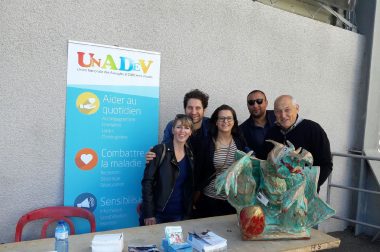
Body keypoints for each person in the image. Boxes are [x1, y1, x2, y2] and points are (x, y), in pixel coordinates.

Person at [264, 95, 333, 192]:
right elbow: (265, 163)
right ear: (274, 113)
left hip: (304, 196)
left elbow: (326, 165)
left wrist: (307, 188)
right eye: (278, 111)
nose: (283, 115)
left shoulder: (313, 129)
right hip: (277, 195)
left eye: (287, 110)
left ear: (297, 108)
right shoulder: (271, 133)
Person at [194, 104, 248, 218]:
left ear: (234, 121)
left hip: (233, 200)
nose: (225, 121)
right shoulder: (206, 143)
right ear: (216, 122)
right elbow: (198, 171)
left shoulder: (239, 141)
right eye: (222, 118)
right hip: (210, 199)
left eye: (229, 118)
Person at [141, 115, 195, 225]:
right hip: (158, 214)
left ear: (190, 132)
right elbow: (147, 183)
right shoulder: (160, 150)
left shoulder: (191, 155)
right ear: (173, 130)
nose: (182, 131)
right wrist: (149, 213)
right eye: (179, 127)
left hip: (180, 215)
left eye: (186, 128)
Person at [146, 89, 210, 162]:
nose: (194, 112)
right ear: (185, 109)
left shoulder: (210, 126)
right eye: (190, 108)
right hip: (181, 170)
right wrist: (155, 156)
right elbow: (166, 151)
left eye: (198, 108)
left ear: (204, 110)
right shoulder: (173, 126)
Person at [239, 90, 276, 159]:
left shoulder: (278, 116)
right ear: (247, 106)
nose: (255, 106)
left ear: (266, 103)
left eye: (259, 101)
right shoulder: (242, 130)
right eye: (251, 102)